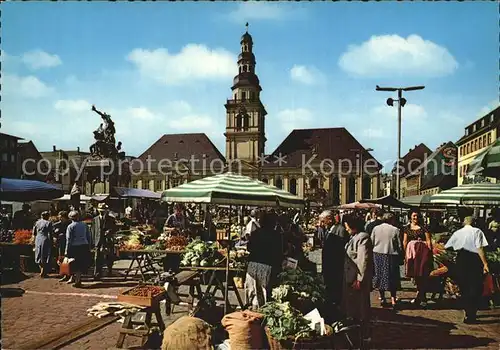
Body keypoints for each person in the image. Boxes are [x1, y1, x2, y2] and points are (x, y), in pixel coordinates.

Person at [445, 216, 490, 323]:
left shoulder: (458, 232)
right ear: (474, 223)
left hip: (462, 259)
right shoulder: (477, 231)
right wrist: (485, 263)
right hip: (474, 259)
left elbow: (448, 246)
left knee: (464, 286)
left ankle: (467, 311)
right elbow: (480, 248)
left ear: (464, 223)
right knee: (474, 286)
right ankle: (471, 314)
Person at [342, 214, 373, 343]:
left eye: (347, 226)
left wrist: (360, 279)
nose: (346, 229)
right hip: (350, 278)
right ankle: (355, 334)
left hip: (357, 279)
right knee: (353, 307)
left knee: (361, 308)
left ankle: (364, 335)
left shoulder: (362, 238)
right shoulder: (353, 237)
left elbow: (363, 260)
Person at [245, 211, 283, 309]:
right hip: (267, 266)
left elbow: (249, 248)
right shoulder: (276, 235)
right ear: (273, 223)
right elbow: (280, 251)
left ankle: (252, 311)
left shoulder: (255, 233)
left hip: (252, 266)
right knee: (263, 293)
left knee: (253, 292)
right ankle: (261, 314)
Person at [319, 210, 349, 318]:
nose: (321, 224)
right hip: (329, 267)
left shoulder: (340, 230)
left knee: (336, 291)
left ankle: (337, 312)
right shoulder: (328, 230)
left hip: (335, 267)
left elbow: (340, 250)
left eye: (323, 221)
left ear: (329, 219)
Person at [371, 212, 403, 308]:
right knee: (392, 277)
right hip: (391, 255)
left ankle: (383, 297)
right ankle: (393, 298)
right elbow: (399, 245)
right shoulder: (395, 230)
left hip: (378, 254)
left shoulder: (376, 228)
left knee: (380, 276)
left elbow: (371, 241)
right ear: (392, 220)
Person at [403, 210, 433, 307]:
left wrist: (430, 252)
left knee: (422, 274)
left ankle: (422, 296)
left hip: (422, 253)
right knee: (415, 275)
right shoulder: (407, 228)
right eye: (414, 216)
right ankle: (420, 295)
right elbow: (405, 241)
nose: (415, 218)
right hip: (412, 254)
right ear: (410, 217)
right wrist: (405, 254)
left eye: (417, 216)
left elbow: (428, 241)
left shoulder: (424, 228)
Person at [65, 211, 92, 288]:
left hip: (74, 246)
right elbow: (88, 236)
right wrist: (89, 245)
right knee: (81, 263)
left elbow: (68, 239)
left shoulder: (70, 226)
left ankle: (75, 279)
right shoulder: (84, 225)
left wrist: (66, 250)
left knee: (74, 263)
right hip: (84, 245)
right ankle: (78, 279)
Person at [91, 203, 117, 279]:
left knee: (109, 257)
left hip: (108, 240)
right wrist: (93, 242)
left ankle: (109, 271)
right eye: (101, 211)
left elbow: (115, 228)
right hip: (98, 241)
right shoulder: (95, 219)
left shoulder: (111, 219)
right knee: (97, 258)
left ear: (106, 211)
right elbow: (93, 231)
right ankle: (97, 273)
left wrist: (110, 231)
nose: (102, 212)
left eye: (103, 211)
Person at [33, 211, 53, 278]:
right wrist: (52, 242)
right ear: (48, 216)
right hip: (45, 239)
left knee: (38, 254)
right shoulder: (48, 223)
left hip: (38, 239)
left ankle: (42, 269)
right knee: (45, 255)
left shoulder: (37, 222)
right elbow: (50, 233)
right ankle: (43, 271)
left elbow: (34, 233)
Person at [53, 211, 71, 281]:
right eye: (59, 217)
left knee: (68, 259)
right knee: (62, 258)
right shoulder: (57, 225)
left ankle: (70, 275)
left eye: (61, 217)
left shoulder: (69, 224)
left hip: (68, 243)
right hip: (61, 244)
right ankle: (65, 274)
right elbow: (54, 234)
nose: (59, 219)